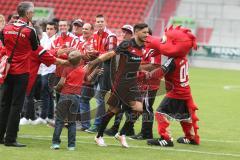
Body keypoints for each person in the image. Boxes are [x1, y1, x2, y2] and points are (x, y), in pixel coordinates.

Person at [90, 23, 149, 148]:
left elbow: (135, 64)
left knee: (139, 109)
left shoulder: (143, 47)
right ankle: (98, 136)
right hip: (121, 82)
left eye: (147, 32)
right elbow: (109, 54)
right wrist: (93, 63)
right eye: (144, 32)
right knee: (113, 110)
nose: (146, 35)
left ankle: (121, 134)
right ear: (137, 32)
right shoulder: (126, 44)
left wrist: (142, 70)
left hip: (133, 82)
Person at [145, 25, 200, 147]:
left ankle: (166, 138)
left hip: (176, 92)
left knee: (160, 113)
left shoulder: (172, 60)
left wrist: (148, 75)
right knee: (184, 116)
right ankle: (191, 137)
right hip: (185, 92)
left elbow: (161, 71)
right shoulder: (184, 59)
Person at [0, 1, 39, 147]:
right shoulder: (30, 30)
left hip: (7, 70)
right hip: (22, 71)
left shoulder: (6, 28)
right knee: (16, 105)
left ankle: (0, 136)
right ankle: (10, 139)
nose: (33, 14)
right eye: (32, 12)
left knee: (4, 104)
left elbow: (3, 42)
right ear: (28, 14)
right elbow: (35, 47)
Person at [51, 50, 102, 151]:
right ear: (79, 62)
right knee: (72, 122)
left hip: (65, 96)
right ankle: (71, 145)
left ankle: (56, 143)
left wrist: (56, 88)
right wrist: (95, 72)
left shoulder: (66, 69)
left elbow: (61, 83)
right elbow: (88, 80)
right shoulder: (82, 71)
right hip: (76, 98)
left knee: (60, 121)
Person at [85, 14, 117, 133]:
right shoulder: (94, 36)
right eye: (97, 21)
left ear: (105, 22)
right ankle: (100, 124)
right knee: (99, 97)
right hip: (97, 68)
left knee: (101, 97)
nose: (99, 23)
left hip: (108, 69)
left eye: (101, 21)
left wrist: (96, 53)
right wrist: (91, 53)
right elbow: (97, 53)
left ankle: (98, 124)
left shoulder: (111, 36)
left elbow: (110, 53)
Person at [104, 24, 135, 136]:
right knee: (123, 106)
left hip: (128, 80)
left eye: (127, 32)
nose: (124, 34)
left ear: (132, 34)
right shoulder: (123, 45)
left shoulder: (131, 46)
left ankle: (119, 128)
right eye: (123, 32)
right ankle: (125, 128)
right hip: (121, 79)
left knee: (122, 105)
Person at [33, 21, 58, 125]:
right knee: (47, 93)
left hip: (52, 69)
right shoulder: (44, 38)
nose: (49, 31)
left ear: (55, 30)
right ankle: (50, 116)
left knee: (46, 92)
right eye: (47, 28)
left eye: (51, 29)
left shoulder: (56, 40)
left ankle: (44, 116)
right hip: (43, 69)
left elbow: (51, 53)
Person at [77, 23, 99, 131]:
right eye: (84, 29)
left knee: (87, 100)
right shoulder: (82, 43)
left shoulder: (93, 43)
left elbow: (94, 57)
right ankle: (84, 124)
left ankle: (90, 125)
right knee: (82, 99)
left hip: (91, 76)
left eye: (87, 29)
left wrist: (94, 72)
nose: (84, 30)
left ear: (91, 31)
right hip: (83, 75)